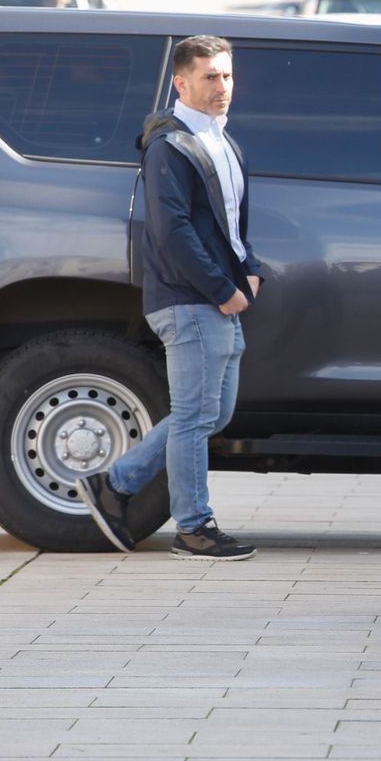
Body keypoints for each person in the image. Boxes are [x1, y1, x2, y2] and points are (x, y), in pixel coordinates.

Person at [76, 36, 261, 561]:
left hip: (216, 298)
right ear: (181, 83)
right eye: (209, 77)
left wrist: (252, 269)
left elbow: (229, 228)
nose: (222, 86)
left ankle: (115, 483)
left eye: (226, 75)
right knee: (196, 415)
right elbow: (173, 231)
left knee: (209, 415)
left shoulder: (226, 143)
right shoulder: (170, 146)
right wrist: (222, 288)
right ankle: (195, 527)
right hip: (190, 300)